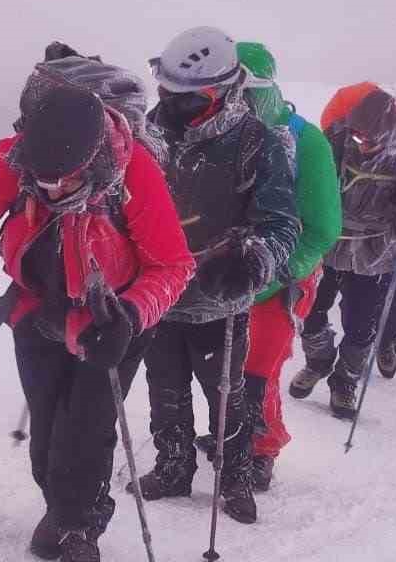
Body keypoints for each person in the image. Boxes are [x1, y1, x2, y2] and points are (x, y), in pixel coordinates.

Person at [0, 45, 195, 561]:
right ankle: (61, 506)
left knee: (87, 429)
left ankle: (80, 523)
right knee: (48, 433)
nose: (52, 188)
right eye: (43, 179)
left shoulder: (133, 169)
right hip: (36, 310)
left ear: (93, 156)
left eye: (65, 179)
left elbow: (173, 266)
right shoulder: (19, 154)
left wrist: (131, 314)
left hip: (111, 320)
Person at [136, 27, 299, 526]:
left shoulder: (259, 142)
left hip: (219, 295)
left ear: (224, 91)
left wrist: (253, 259)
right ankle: (173, 465)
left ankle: (235, 477)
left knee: (226, 393)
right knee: (164, 386)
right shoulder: (149, 131)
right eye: (167, 90)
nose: (173, 102)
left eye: (190, 96)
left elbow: (280, 222)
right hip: (157, 292)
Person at [288, 83, 396, 418]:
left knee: (361, 322)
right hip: (330, 240)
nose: (362, 143)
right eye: (357, 136)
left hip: (376, 248)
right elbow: (314, 181)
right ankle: (318, 360)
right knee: (309, 308)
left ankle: (345, 381)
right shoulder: (338, 137)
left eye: (370, 138)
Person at [231, 41, 341, 491]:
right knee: (224, 364)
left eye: (244, 91)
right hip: (224, 273)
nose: (236, 100)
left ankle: (261, 447)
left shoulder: (303, 138)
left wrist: (280, 272)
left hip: (282, 277)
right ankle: (231, 436)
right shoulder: (221, 132)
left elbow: (322, 227)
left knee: (261, 365)